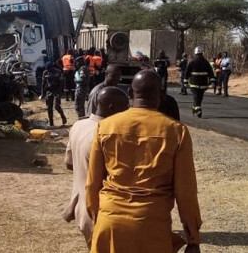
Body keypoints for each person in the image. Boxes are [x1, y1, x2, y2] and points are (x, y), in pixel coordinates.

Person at [86, 70, 202, 253]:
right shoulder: (176, 131)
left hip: (110, 221)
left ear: (131, 94)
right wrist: (193, 238)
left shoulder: (105, 126)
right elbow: (185, 192)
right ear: (161, 96)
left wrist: (97, 220)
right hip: (152, 224)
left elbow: (92, 184)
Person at [63, 87, 130, 248]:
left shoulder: (78, 125)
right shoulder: (108, 134)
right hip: (101, 212)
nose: (127, 112)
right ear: (112, 108)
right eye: (125, 108)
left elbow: (69, 163)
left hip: (81, 208)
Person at [184, 46, 215, 118]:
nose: (199, 56)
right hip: (199, 84)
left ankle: (195, 109)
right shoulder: (204, 62)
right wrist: (212, 81)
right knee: (197, 97)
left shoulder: (194, 62)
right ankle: (198, 110)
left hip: (197, 84)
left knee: (198, 98)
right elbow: (211, 73)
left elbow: (187, 73)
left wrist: (185, 83)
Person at [40, 61, 67, 127]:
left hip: (56, 91)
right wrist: (42, 94)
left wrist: (61, 92)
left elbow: (61, 83)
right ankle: (51, 122)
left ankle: (63, 116)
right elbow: (43, 84)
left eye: (49, 68)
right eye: (47, 68)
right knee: (49, 107)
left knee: (56, 106)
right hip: (49, 91)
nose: (49, 70)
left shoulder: (58, 72)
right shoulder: (45, 72)